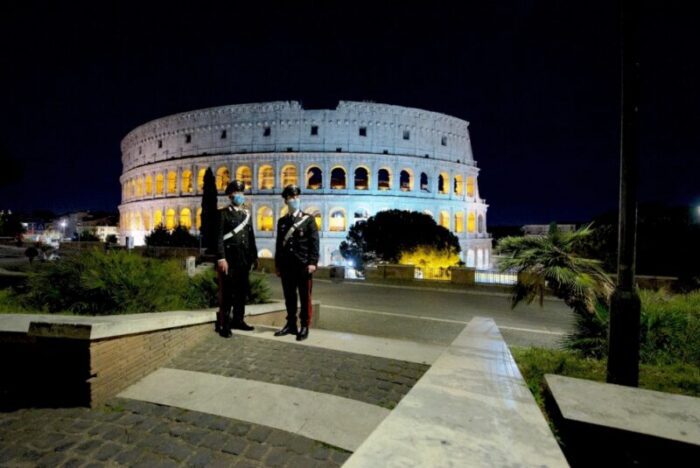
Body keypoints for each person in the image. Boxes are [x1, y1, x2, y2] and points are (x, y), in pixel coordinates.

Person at [274, 184, 319, 341]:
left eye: (297, 197)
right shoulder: (282, 222)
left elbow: (314, 243)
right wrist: (278, 265)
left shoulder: (308, 219)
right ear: (286, 200)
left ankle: (305, 325)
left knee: (305, 297)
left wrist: (313, 262)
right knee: (289, 297)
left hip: (303, 266)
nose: (295, 200)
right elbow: (279, 245)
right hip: (287, 266)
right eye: (292, 197)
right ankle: (291, 324)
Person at [216, 179, 258, 338]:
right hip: (229, 259)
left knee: (241, 292)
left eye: (241, 193)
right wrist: (221, 258)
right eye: (236, 193)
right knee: (227, 293)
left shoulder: (246, 214)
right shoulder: (223, 214)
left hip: (243, 259)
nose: (240, 196)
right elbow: (219, 238)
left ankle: (238, 320)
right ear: (230, 195)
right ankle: (224, 324)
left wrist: (254, 256)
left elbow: (250, 236)